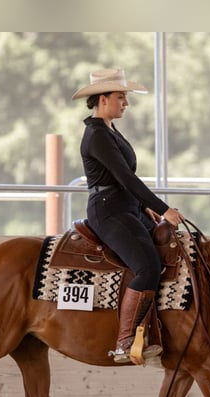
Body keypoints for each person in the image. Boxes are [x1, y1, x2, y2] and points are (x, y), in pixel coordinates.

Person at [72, 68, 185, 364]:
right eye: (121, 97)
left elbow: (124, 180)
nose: (126, 103)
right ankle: (124, 342)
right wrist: (163, 208)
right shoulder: (96, 135)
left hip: (125, 206)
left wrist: (143, 206)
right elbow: (126, 177)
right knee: (147, 265)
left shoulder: (108, 130)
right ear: (104, 98)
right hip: (109, 210)